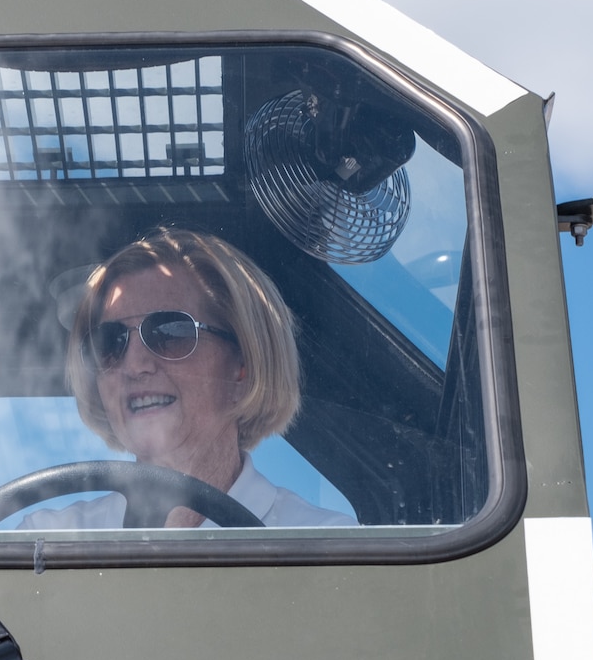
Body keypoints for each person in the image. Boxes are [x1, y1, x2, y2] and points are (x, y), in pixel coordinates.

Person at [23, 226, 355, 529]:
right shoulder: (47, 541)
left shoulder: (330, 549)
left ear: (243, 366)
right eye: (109, 342)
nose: (134, 365)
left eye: (171, 331)